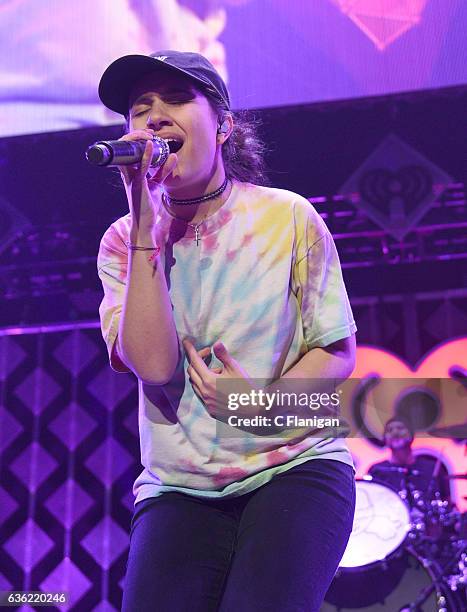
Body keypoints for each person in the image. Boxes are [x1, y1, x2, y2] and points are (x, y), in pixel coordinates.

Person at [97, 50, 357, 612]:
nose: (155, 118)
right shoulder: (122, 240)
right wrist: (145, 222)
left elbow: (335, 352)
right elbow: (156, 366)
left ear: (223, 125)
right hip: (179, 488)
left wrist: (256, 403)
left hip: (295, 466)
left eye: (176, 100)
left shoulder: (286, 216)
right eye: (141, 109)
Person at [369, 416, 452, 505]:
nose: (395, 432)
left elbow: (447, 502)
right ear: (384, 439)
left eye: (400, 428)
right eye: (390, 430)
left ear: (411, 435)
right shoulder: (377, 470)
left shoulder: (432, 468)